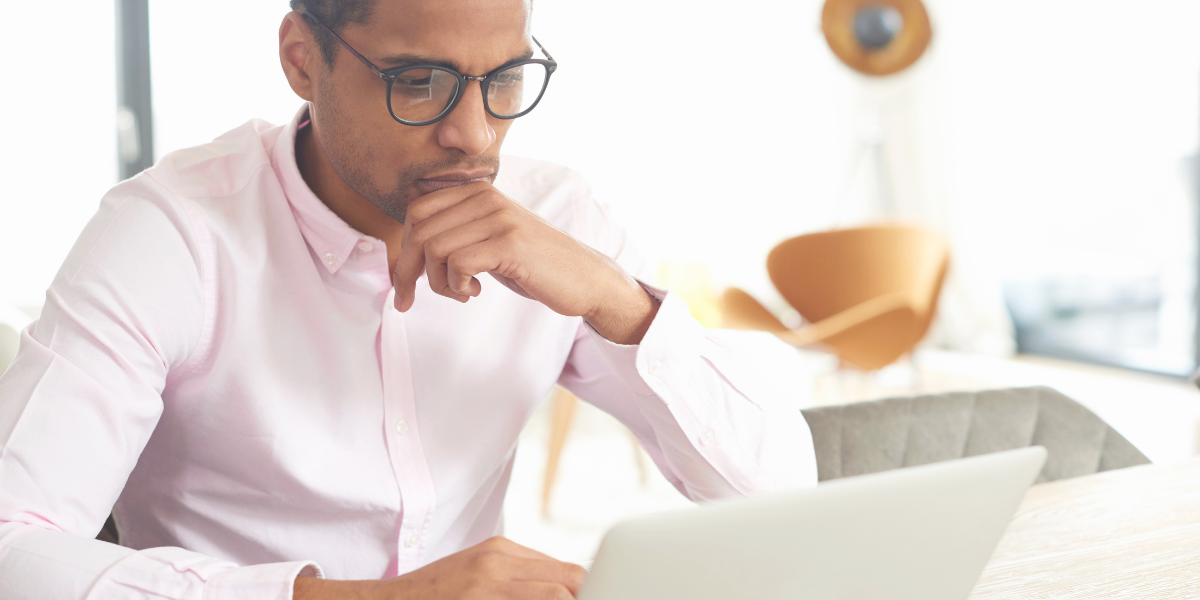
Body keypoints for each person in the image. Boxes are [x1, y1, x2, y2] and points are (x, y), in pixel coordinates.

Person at [0, 0, 818, 598]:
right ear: (300, 59)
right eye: (419, 82)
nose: (476, 133)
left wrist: (617, 301)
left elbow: (784, 503)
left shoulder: (559, 216)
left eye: (504, 78)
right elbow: (13, 546)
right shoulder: (173, 234)